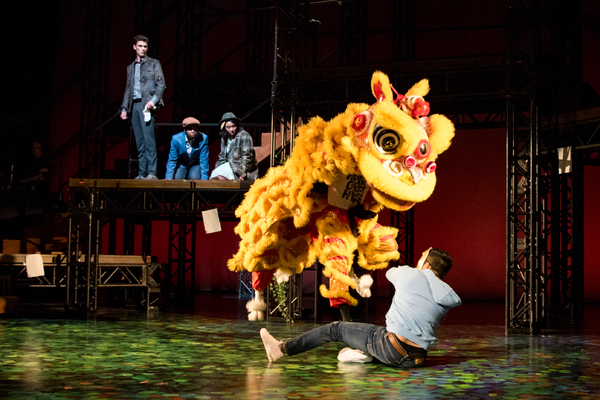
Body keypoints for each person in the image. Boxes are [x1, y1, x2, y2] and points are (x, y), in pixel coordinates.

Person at [260, 247, 461, 368]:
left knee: (335, 329)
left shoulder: (411, 274)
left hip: (390, 348)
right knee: (378, 332)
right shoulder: (448, 295)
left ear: (426, 265)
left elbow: (391, 273)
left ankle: (281, 348)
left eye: (422, 257)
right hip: (415, 360)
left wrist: (416, 269)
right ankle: (364, 355)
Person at [120, 34, 166, 180]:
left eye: (145, 46)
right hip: (135, 106)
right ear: (134, 47)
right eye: (140, 46)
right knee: (139, 141)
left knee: (149, 140)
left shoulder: (154, 63)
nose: (143, 49)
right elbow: (128, 88)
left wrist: (153, 101)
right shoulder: (130, 68)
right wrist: (124, 108)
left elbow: (161, 84)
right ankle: (142, 173)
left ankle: (151, 172)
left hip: (148, 106)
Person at [210, 112, 258, 181]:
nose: (231, 129)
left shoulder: (244, 136)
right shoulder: (224, 138)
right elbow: (222, 157)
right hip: (229, 168)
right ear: (224, 127)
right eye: (228, 127)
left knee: (222, 179)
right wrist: (217, 170)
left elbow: (247, 157)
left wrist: (242, 174)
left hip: (240, 170)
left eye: (233, 126)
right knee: (214, 178)